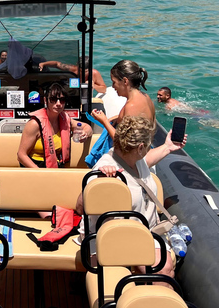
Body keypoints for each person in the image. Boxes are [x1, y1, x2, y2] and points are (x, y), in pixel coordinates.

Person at [77, 116, 187, 293]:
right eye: (149, 144)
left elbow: (148, 160)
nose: (149, 148)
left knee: (165, 269)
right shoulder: (105, 167)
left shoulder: (135, 160)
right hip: (117, 236)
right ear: (140, 147)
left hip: (142, 231)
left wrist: (168, 147)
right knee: (163, 270)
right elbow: (80, 207)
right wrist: (99, 182)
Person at [17, 82, 93, 168]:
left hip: (56, 168)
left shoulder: (65, 120)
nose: (58, 103)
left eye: (62, 100)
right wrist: (39, 173)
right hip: (36, 168)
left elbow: (88, 127)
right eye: (53, 99)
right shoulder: (34, 124)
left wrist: (85, 134)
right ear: (46, 100)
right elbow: (21, 155)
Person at [90, 60, 154, 139]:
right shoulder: (146, 97)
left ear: (125, 81)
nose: (113, 86)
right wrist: (118, 118)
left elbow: (122, 142)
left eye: (114, 82)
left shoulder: (131, 106)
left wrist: (104, 121)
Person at [39, 56, 107, 94]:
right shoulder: (73, 69)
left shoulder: (94, 73)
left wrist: (93, 86)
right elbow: (57, 64)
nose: (83, 73)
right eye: (80, 71)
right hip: (71, 95)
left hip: (85, 98)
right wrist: (44, 64)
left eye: (85, 71)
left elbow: (104, 89)